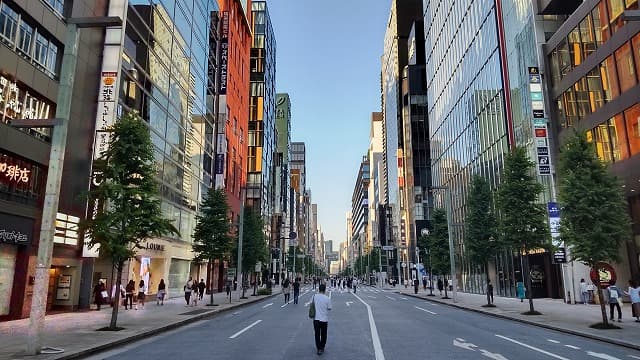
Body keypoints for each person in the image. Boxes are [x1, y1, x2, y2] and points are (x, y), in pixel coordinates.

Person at [312, 283, 332, 355]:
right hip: (324, 319)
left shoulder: (314, 296)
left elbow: (312, 304)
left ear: (319, 289)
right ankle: (322, 347)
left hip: (316, 319)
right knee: (324, 334)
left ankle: (318, 348)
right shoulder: (327, 298)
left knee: (317, 334)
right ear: (325, 290)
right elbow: (329, 308)